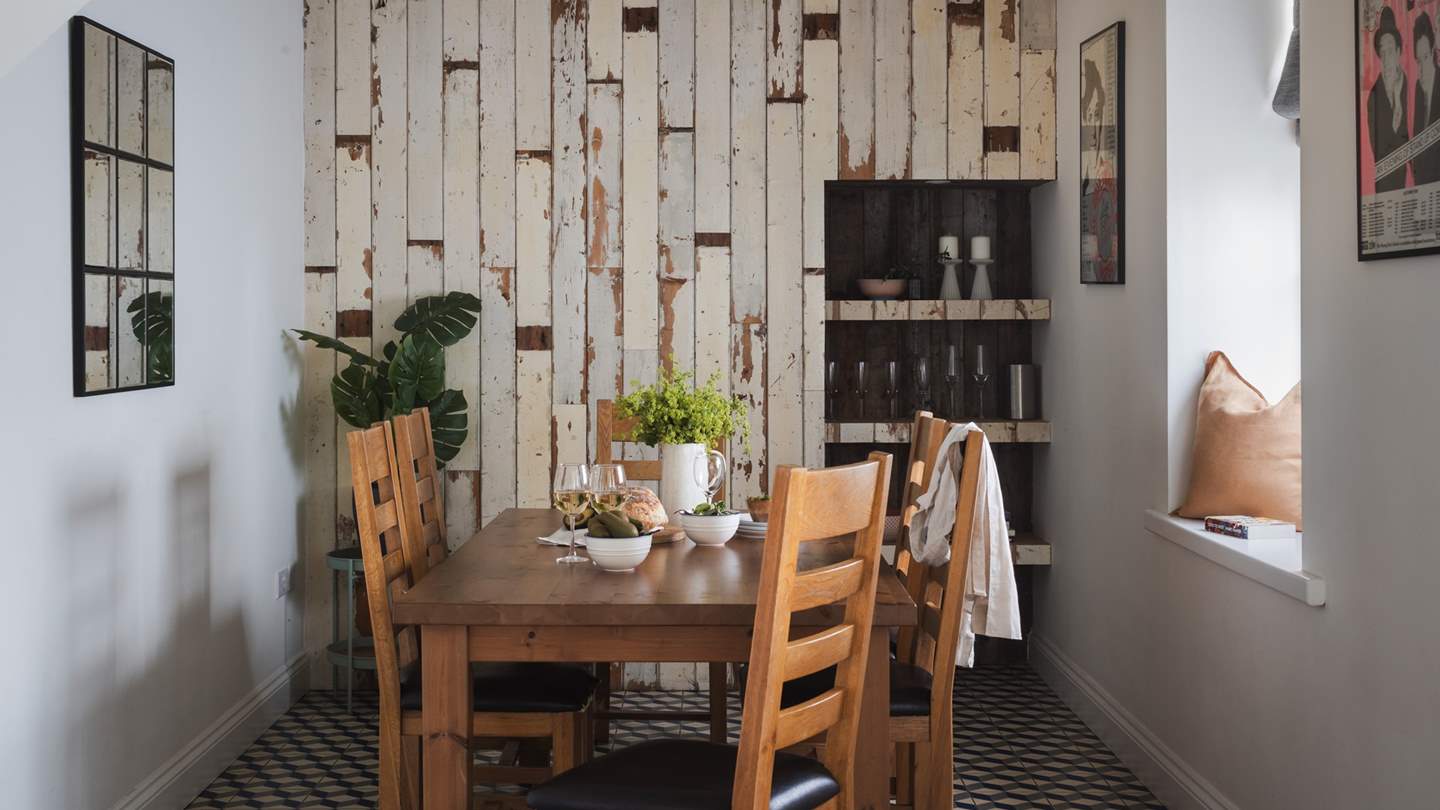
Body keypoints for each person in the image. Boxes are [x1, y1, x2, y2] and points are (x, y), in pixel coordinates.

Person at [1368, 6, 1410, 192]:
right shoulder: (1373, 97)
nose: (1386, 59)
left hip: (1412, 182)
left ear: (1399, 52)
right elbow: (1378, 152)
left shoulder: (1410, 87)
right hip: (1385, 187)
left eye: (1390, 51)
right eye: (1382, 53)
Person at [1412, 12, 1440, 184]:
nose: (1421, 69)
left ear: (1433, 51)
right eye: (1418, 61)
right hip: (1422, 185)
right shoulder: (1418, 88)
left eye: (1425, 57)